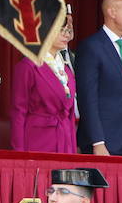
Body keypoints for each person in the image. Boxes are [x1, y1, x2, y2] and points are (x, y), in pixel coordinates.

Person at [75, 0, 122, 157]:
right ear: (112, 12)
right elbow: (87, 98)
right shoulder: (91, 46)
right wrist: (97, 142)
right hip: (103, 141)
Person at [8, 13, 75, 152]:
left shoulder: (66, 69)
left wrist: (72, 150)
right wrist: (19, 152)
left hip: (64, 140)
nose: (66, 35)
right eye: (60, 30)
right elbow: (19, 111)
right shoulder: (28, 65)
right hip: (38, 139)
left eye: (68, 31)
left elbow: (70, 116)